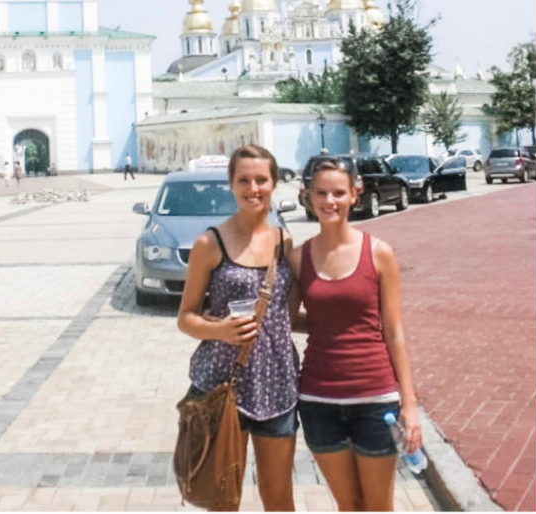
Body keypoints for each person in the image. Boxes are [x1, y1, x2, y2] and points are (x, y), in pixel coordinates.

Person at [289, 158, 424, 511]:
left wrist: (409, 403)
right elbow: (287, 319)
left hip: (377, 401)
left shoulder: (379, 253)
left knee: (378, 505)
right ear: (308, 196)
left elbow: (393, 330)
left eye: (338, 192)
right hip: (318, 401)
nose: (329, 200)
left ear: (354, 194)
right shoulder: (298, 257)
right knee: (348, 505)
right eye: (321, 192)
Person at [177, 145, 298, 511]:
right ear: (230, 185)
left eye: (261, 179)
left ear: (274, 184)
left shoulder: (285, 242)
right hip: (218, 386)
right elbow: (186, 317)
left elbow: (287, 314)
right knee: (220, 495)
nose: (253, 188)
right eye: (243, 180)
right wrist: (220, 331)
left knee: (278, 497)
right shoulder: (209, 243)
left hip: (276, 385)